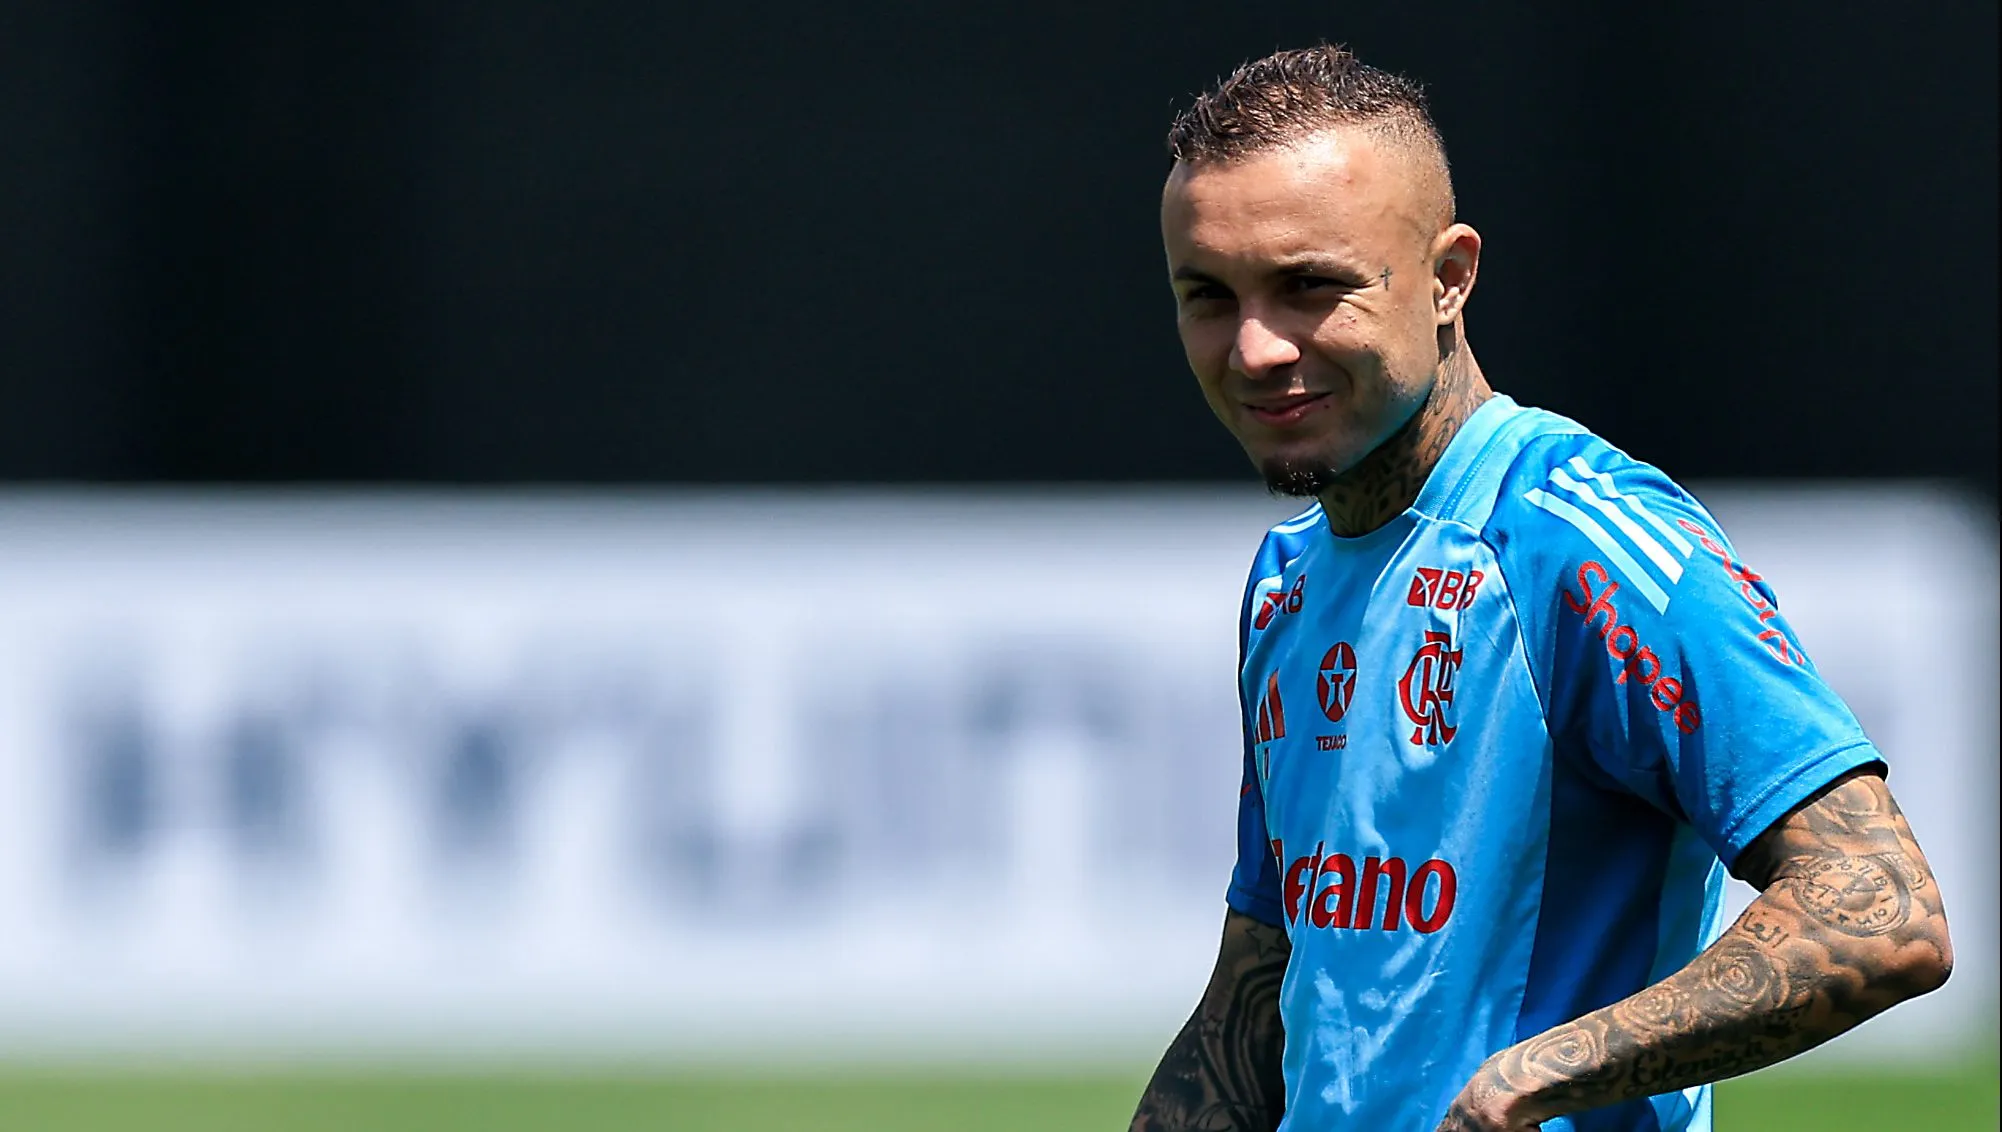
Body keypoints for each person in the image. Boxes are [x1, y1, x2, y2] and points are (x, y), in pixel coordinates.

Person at [1129, 44, 1953, 1132]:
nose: (1254, 349)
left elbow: (1880, 909)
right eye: (1208, 296)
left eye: (1309, 287)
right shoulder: (1288, 580)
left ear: (1448, 278)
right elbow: (1254, 1002)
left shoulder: (1583, 544)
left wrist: (1537, 1075)